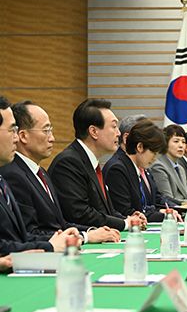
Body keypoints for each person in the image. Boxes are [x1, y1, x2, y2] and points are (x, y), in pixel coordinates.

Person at [0, 101, 120, 243]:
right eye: (46, 131)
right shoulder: (13, 174)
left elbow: (60, 224)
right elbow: (27, 234)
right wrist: (85, 237)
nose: (52, 138)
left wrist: (89, 232)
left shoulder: (41, 172)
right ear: (23, 136)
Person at [48, 99, 145, 231]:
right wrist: (125, 224)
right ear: (93, 131)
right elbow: (79, 213)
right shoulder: (68, 163)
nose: (118, 133)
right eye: (114, 126)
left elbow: (105, 211)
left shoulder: (90, 162)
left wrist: (127, 218)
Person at [0, 96, 73, 256]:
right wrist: (50, 246)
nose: (16, 137)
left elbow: (21, 237)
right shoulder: (11, 174)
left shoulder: (4, 179)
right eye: (12, 130)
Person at [104, 119, 181, 222]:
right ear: (140, 147)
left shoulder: (139, 167)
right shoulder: (117, 169)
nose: (155, 159)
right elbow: (125, 212)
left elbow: (153, 201)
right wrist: (162, 216)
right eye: (154, 153)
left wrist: (166, 211)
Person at [149, 124, 187, 205]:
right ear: (165, 143)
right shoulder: (158, 166)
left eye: (183, 142)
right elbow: (167, 200)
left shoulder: (181, 168)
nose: (181, 145)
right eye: (176, 141)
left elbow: (186, 197)